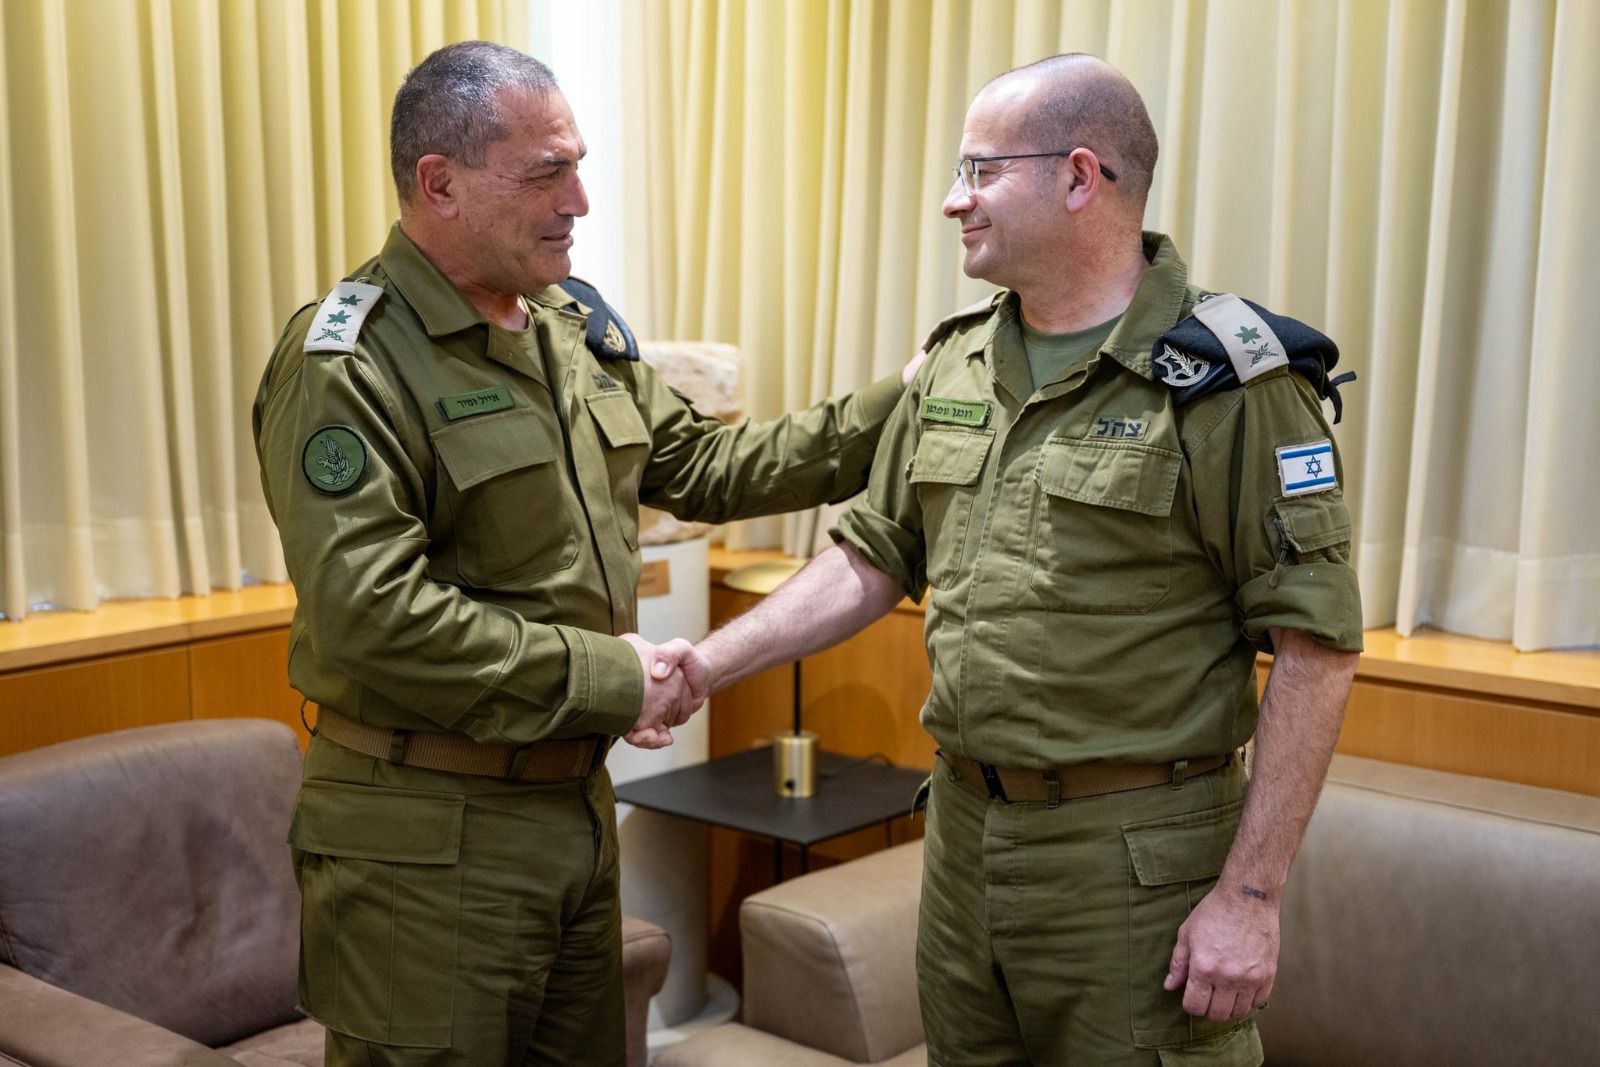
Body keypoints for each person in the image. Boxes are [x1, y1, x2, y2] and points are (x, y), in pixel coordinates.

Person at [673, 54, 1362, 1066]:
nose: (954, 200)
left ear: (1080, 177)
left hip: (1132, 863)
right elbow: (871, 558)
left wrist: (1251, 894)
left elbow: (1316, 645)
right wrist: (704, 666)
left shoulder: (1231, 381)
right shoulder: (956, 360)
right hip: (962, 839)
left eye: (981, 171)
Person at [253, 40, 919, 1067]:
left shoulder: (567, 326)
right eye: (546, 172)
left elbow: (705, 466)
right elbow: (370, 614)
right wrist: (613, 676)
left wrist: (903, 399)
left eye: (579, 164)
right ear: (440, 183)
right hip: (425, 835)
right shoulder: (349, 359)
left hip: (570, 807)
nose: (581, 201)